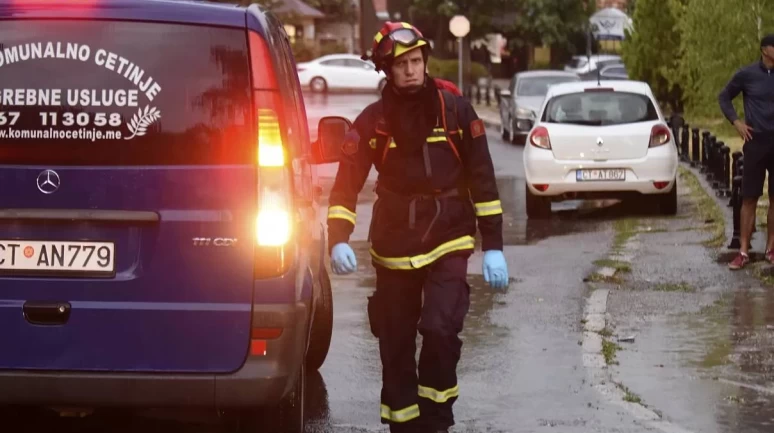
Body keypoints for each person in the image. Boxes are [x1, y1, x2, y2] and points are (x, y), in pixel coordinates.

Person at [325, 21, 510, 433]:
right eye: (401, 64)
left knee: (440, 328)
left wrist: (493, 244)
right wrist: (337, 238)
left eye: (416, 61)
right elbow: (346, 183)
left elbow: (483, 177)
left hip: (450, 235)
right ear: (387, 71)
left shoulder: (456, 111)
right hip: (393, 243)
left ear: (425, 61)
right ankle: (404, 425)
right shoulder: (373, 122)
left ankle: (437, 420)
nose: (411, 70)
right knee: (395, 342)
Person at [719, 34, 774, 270]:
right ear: (764, 49)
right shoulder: (747, 74)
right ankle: (743, 251)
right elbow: (724, 97)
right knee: (750, 197)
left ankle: (771, 249)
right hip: (755, 143)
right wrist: (736, 123)